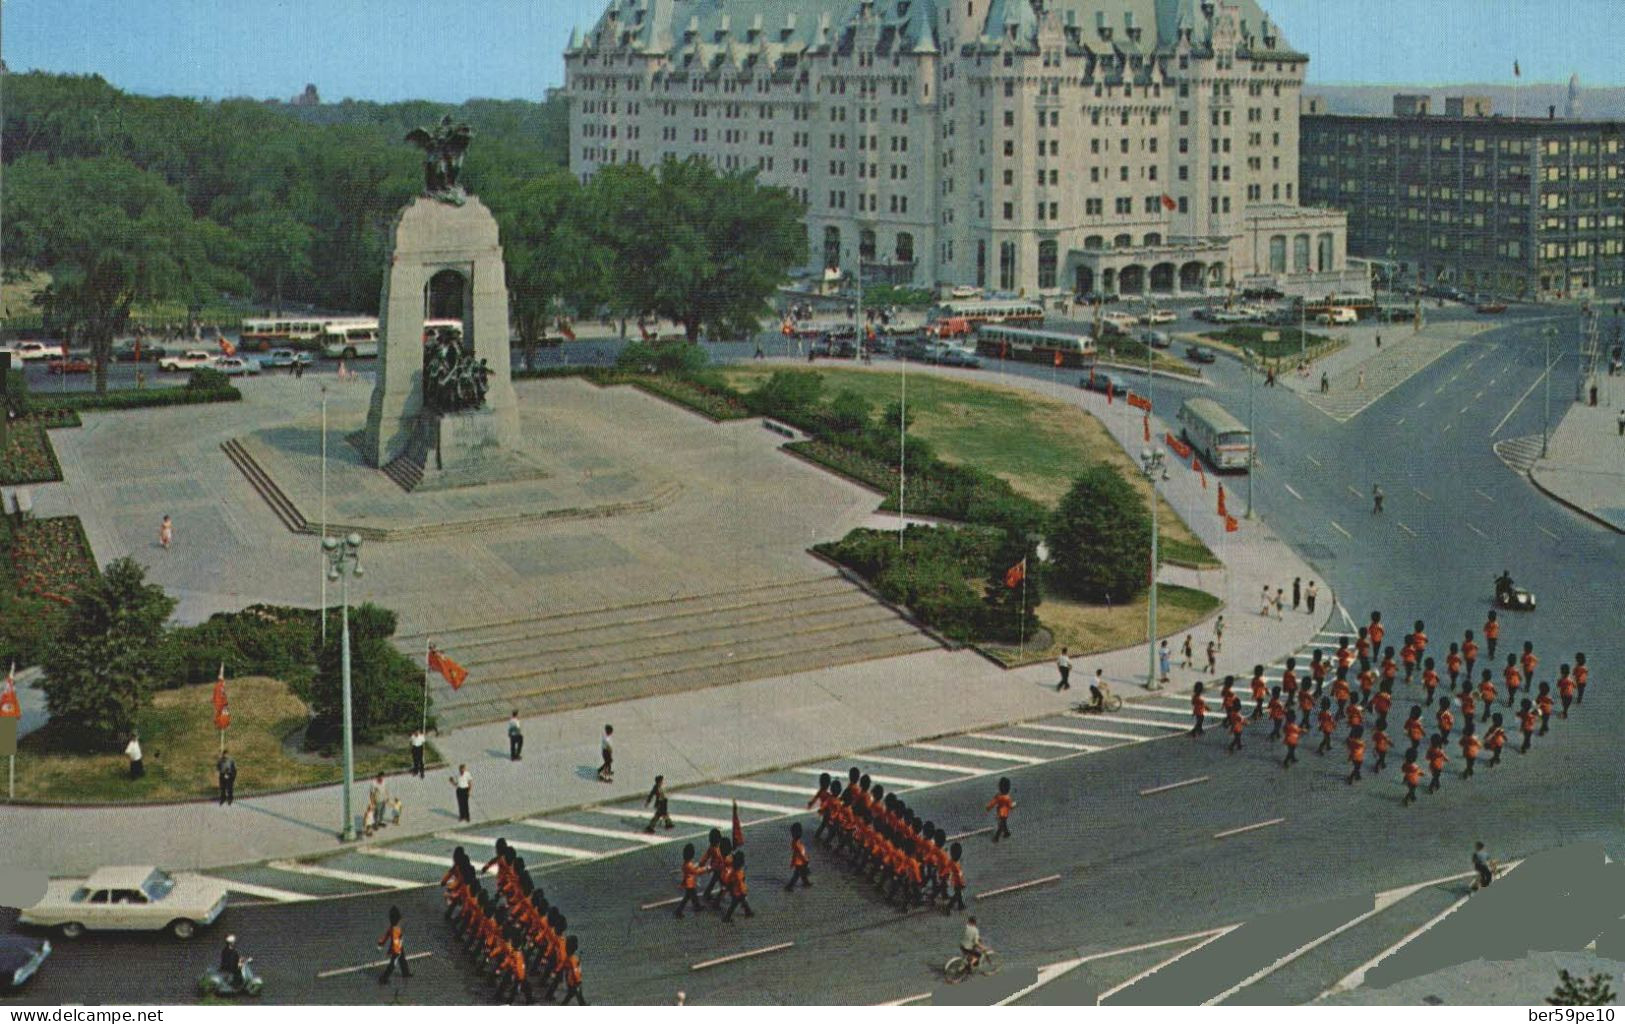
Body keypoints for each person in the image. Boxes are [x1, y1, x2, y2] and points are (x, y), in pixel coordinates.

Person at [378, 906, 411, 983]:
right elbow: (396, 943)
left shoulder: (392, 928)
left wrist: (381, 943)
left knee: (402, 959)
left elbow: (386, 936)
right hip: (397, 949)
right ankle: (384, 978)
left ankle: (405, 973)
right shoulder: (396, 929)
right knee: (392, 964)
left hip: (399, 947)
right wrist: (396, 951)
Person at [675, 844, 702, 918]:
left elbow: (692, 868)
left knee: (693, 895)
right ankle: (679, 911)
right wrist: (706, 869)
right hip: (690, 884)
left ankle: (697, 906)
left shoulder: (686, 863)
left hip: (688, 883)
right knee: (687, 897)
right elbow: (696, 871)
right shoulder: (689, 864)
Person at [786, 822, 812, 891]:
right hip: (800, 862)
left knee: (802, 873)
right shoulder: (797, 843)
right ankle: (789, 886)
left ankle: (806, 882)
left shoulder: (795, 842)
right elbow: (802, 853)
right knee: (796, 875)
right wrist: (806, 859)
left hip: (799, 861)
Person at [987, 777, 1015, 842]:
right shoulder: (1008, 798)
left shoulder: (998, 796)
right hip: (1005, 814)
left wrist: (988, 807)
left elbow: (993, 802)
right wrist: (1014, 805)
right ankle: (1005, 833)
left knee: (1001, 825)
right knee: (1003, 824)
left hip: (1000, 813)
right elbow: (1010, 806)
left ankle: (997, 837)